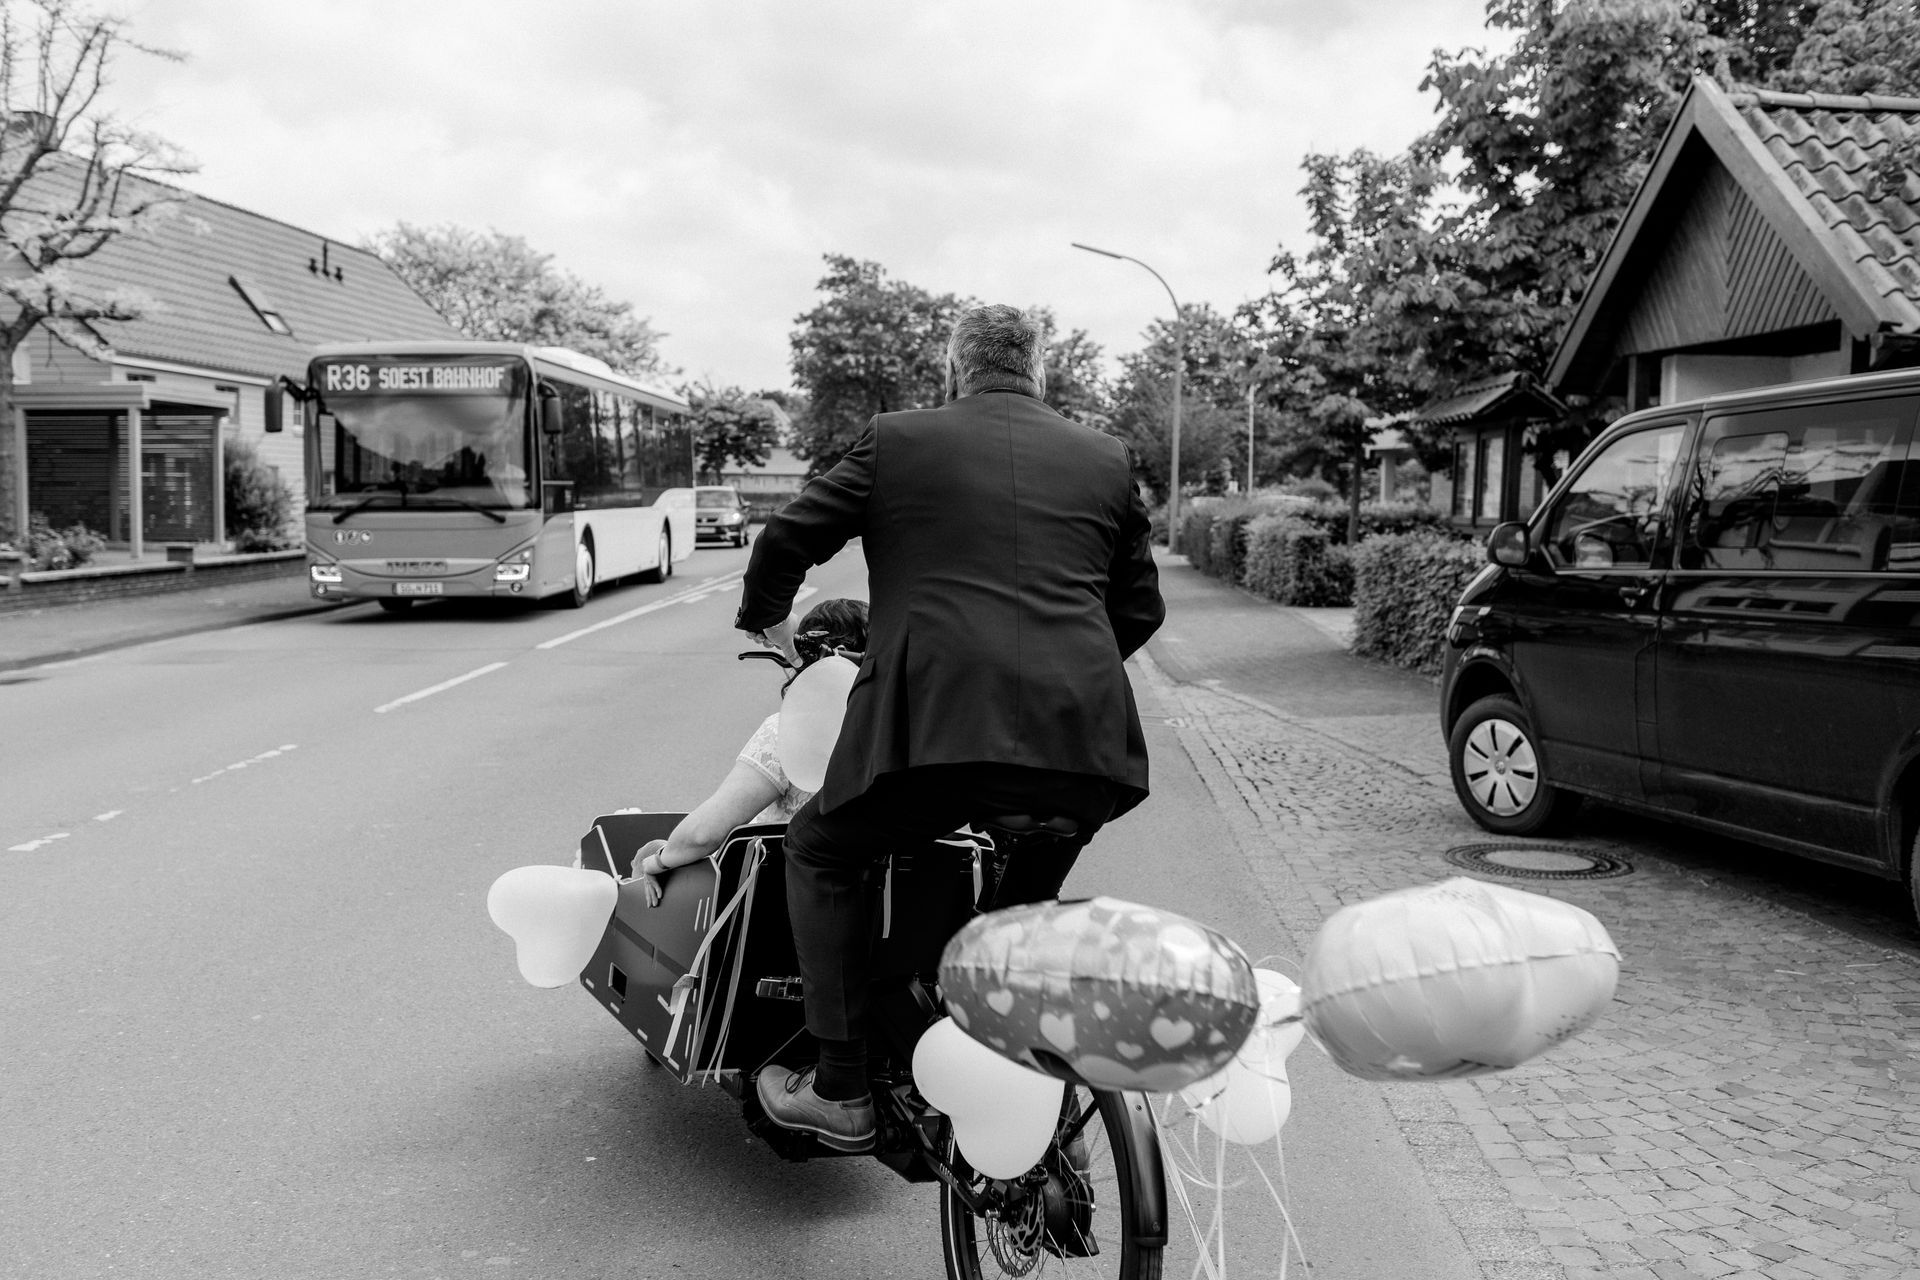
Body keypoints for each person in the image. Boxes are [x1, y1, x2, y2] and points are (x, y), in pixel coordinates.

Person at [735, 303, 1165, 1153]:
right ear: (1039, 370)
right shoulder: (1105, 457)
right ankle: (1009, 1073)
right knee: (1009, 926)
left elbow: (785, 540)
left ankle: (843, 1088)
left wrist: (773, 626)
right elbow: (1141, 607)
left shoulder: (899, 440)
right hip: (1082, 751)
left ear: (955, 368)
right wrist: (1061, 675)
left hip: (933, 734)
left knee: (821, 848)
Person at [631, 598, 870, 907]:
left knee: (649, 853)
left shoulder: (790, 731)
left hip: (780, 897)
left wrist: (656, 861)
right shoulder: (900, 733)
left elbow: (704, 834)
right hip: (875, 896)